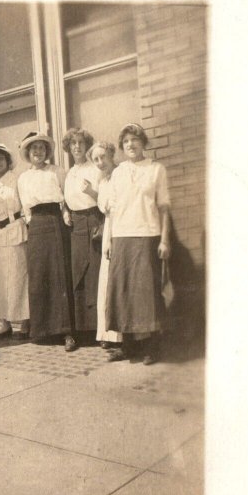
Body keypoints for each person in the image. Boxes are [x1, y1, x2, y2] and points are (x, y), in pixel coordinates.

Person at [105, 123, 171, 364]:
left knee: (146, 294)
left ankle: (152, 347)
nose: (130, 145)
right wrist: (110, 240)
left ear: (144, 143)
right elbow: (112, 209)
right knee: (123, 293)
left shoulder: (156, 170)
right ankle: (128, 346)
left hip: (147, 234)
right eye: (126, 142)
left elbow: (164, 207)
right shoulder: (118, 172)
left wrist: (164, 239)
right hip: (121, 236)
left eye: (135, 140)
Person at [16, 131, 77, 351]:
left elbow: (67, 197)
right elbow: (24, 206)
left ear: (46, 151)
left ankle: (67, 331)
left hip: (55, 221)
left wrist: (65, 214)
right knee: (40, 273)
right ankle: (43, 330)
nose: (38, 152)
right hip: (36, 225)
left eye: (41, 148)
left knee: (59, 273)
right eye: (34, 149)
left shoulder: (57, 171)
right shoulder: (23, 178)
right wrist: (31, 224)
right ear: (28, 153)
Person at [0, 142, 29, 338]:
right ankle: (4, 323)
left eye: (1, 158)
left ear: (8, 161)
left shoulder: (17, 179)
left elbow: (25, 205)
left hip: (15, 230)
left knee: (18, 276)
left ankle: (25, 322)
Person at [62, 127, 103, 341]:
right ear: (68, 148)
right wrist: (66, 210)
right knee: (79, 272)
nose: (77, 147)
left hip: (94, 220)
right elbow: (67, 198)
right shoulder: (70, 173)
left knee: (95, 271)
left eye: (80, 143)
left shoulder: (95, 169)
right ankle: (84, 329)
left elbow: (104, 198)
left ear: (86, 145)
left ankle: (101, 329)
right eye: (73, 144)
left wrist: (91, 192)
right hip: (76, 224)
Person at [88, 141, 122, 349]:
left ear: (111, 155)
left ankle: (122, 334)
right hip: (109, 226)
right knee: (108, 279)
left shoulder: (121, 175)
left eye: (103, 157)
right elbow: (103, 208)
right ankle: (109, 334)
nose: (101, 163)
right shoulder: (102, 181)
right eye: (96, 159)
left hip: (123, 225)